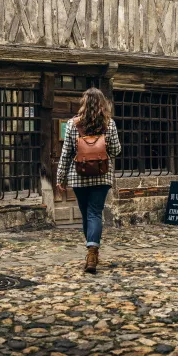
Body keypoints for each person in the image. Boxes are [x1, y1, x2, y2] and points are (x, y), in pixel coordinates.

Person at [56, 87, 122, 274]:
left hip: (79, 176)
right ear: (103, 104)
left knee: (86, 214)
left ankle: (91, 251)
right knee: (95, 212)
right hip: (102, 176)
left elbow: (66, 154)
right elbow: (116, 150)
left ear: (84, 103)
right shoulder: (109, 124)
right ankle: (93, 251)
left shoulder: (72, 124)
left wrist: (60, 178)